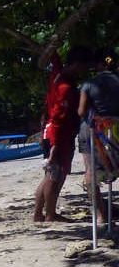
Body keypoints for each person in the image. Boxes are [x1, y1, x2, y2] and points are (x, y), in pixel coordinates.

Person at [33, 46, 92, 222]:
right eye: (84, 67)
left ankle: (38, 214)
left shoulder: (57, 74)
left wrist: (53, 48)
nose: (84, 71)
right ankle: (50, 214)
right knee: (55, 175)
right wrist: (56, 146)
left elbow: (55, 61)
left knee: (49, 174)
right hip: (58, 134)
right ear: (76, 64)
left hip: (50, 131)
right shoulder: (65, 87)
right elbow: (59, 118)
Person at [77, 48, 119, 223]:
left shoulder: (88, 84)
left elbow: (81, 111)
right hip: (117, 127)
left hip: (95, 130)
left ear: (99, 65)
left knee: (90, 172)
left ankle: (100, 216)